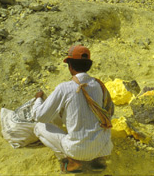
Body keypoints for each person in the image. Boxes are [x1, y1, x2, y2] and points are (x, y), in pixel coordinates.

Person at [32, 45, 114, 173]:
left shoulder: (64, 88)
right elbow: (110, 112)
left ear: (70, 66)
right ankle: (99, 160)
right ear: (88, 66)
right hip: (102, 147)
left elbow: (40, 117)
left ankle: (72, 162)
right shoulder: (99, 85)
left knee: (38, 127)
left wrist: (38, 99)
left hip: (77, 150)